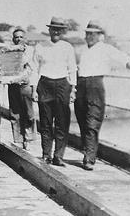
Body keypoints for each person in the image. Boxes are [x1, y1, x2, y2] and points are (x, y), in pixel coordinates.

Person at [74, 20, 130, 170]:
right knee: (82, 120)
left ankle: (89, 158)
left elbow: (125, 60)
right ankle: (88, 151)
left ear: (100, 36)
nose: (89, 36)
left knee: (92, 122)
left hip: (95, 86)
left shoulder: (106, 48)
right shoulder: (82, 50)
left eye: (93, 34)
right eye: (87, 33)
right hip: (80, 86)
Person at [33, 17, 77, 167]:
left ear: (62, 31)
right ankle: (46, 155)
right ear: (49, 30)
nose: (56, 31)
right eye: (53, 28)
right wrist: (34, 89)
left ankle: (58, 156)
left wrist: (73, 89)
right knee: (45, 122)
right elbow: (34, 69)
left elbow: (72, 69)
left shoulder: (68, 47)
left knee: (62, 122)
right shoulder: (40, 46)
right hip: (45, 84)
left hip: (62, 85)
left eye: (59, 29)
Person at [6, 28, 37, 150]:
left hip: (25, 85)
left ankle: (28, 139)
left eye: (20, 37)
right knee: (15, 114)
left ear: (25, 39)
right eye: (16, 37)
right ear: (13, 39)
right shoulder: (10, 51)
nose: (18, 39)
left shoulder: (30, 51)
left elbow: (33, 70)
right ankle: (18, 139)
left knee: (29, 114)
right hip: (13, 86)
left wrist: (34, 90)